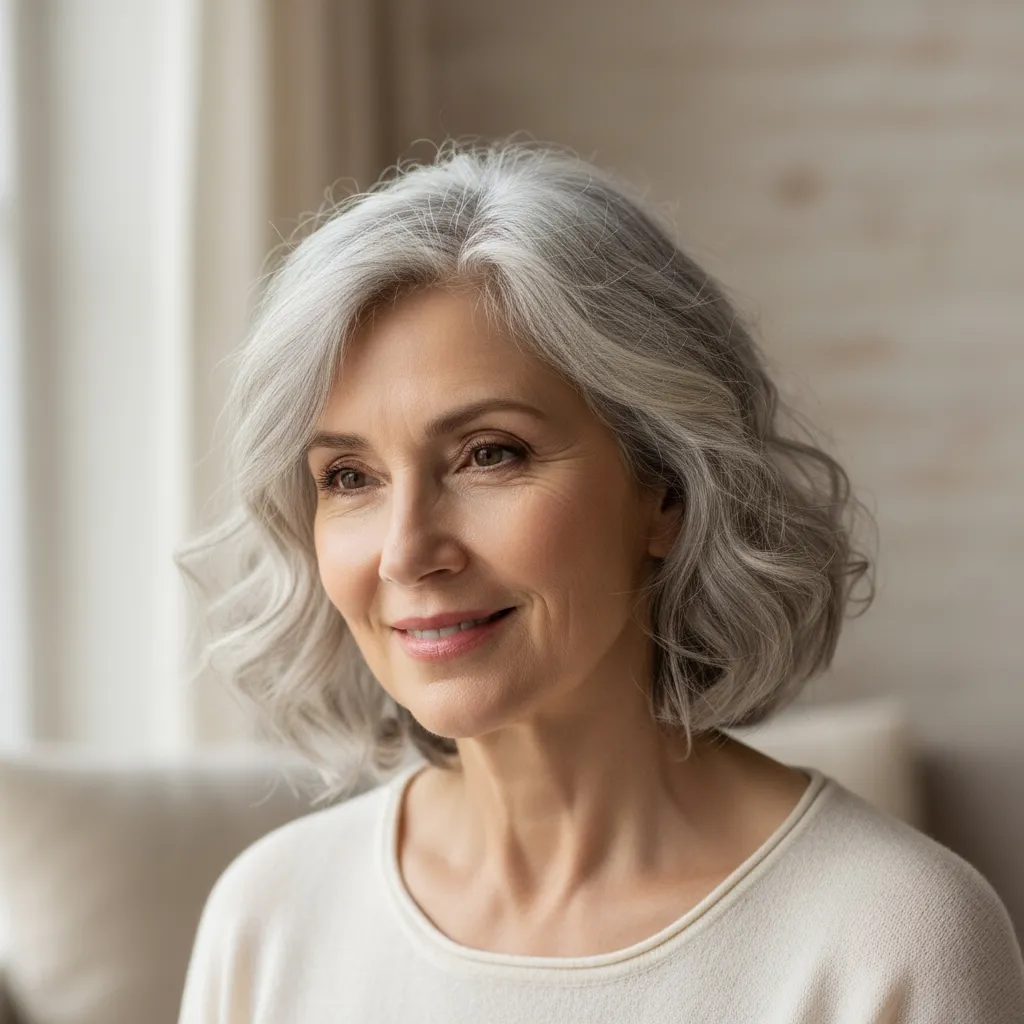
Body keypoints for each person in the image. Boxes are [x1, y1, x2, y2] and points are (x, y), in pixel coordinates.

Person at [174, 139, 1024, 1022]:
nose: (405, 551)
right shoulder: (270, 918)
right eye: (349, 477)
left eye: (488, 455)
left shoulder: (892, 938)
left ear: (667, 488)